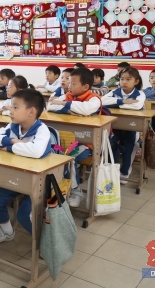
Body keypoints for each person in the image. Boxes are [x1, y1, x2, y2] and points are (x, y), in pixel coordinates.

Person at [0, 89, 51, 244]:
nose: (10, 111)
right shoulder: (13, 127)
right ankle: (7, 232)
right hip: (17, 177)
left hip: (40, 182)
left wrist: (8, 148)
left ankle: (45, 243)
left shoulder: (42, 130)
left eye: (15, 107)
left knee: (24, 214)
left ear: (31, 112)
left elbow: (36, 151)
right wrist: (12, 141)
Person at [48, 68, 100, 207]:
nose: (69, 86)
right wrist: (68, 109)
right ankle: (57, 188)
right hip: (68, 141)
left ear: (85, 86)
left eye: (73, 83)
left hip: (87, 144)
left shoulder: (94, 98)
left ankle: (76, 191)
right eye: (69, 82)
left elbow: (86, 109)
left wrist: (64, 104)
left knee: (69, 157)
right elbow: (50, 106)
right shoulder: (68, 95)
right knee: (52, 151)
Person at [102, 67, 146, 181]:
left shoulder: (140, 94)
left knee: (129, 146)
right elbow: (102, 101)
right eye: (122, 79)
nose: (124, 82)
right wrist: (122, 101)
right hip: (115, 126)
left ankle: (124, 171)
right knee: (110, 144)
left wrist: (114, 104)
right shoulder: (114, 92)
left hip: (132, 127)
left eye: (128, 79)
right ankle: (112, 170)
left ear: (136, 81)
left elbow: (137, 106)